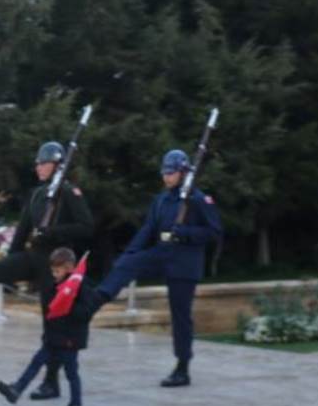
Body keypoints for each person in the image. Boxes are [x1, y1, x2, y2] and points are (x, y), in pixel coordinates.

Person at [89, 149, 222, 387]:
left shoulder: (198, 199)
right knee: (127, 263)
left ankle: (182, 368)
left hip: (184, 262)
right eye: (165, 173)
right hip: (162, 252)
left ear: (183, 173)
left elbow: (214, 233)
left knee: (180, 315)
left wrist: (186, 233)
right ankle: (99, 297)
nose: (166, 177)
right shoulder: (161, 200)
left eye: (171, 173)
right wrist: (131, 252)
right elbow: (148, 230)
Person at [0, 140, 94, 402]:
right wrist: (11, 265)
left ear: (57, 166)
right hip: (32, 256)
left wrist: (53, 232)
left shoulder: (68, 192)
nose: (38, 167)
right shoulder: (36, 195)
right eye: (37, 163)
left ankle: (50, 382)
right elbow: (23, 230)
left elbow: (86, 226)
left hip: (54, 264)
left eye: (43, 163)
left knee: (52, 324)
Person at [0, 247, 93, 406]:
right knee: (36, 362)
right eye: (52, 270)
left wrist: (69, 306)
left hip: (69, 339)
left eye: (58, 270)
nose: (54, 274)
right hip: (53, 337)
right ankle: (17, 389)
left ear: (70, 267)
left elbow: (85, 313)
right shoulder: (57, 284)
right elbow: (51, 311)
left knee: (71, 373)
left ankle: (76, 405)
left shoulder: (79, 285)